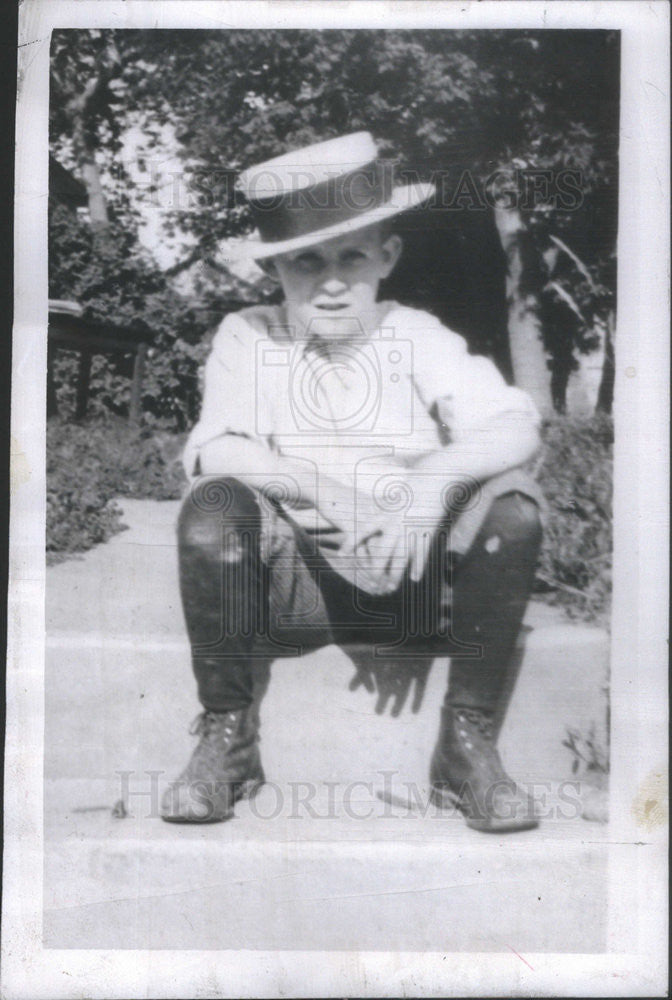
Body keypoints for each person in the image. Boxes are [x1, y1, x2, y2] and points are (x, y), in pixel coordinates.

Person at [160, 132, 544, 832]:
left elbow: (516, 423)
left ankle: (466, 744)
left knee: (512, 507)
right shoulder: (250, 335)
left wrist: (431, 484)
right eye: (306, 261)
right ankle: (227, 739)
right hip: (298, 590)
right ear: (274, 268)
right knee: (213, 510)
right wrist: (313, 486)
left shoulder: (415, 334)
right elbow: (215, 447)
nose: (331, 282)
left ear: (387, 258)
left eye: (352, 257)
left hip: (416, 578)